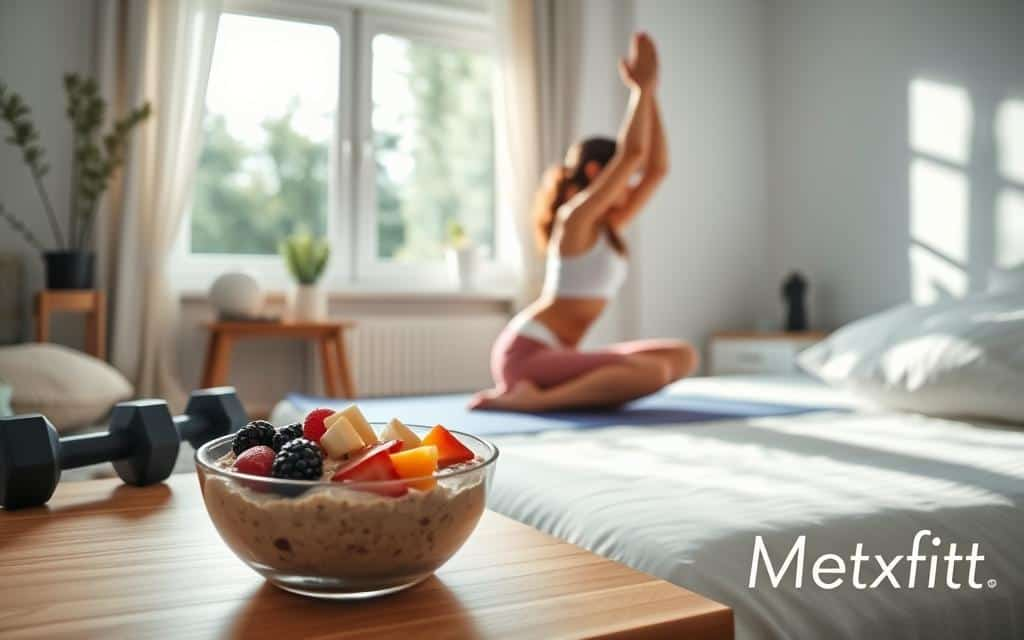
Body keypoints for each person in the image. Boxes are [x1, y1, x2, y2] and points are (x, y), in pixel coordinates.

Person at [470, 32, 698, 412]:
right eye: (623, 179)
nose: (631, 186)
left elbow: (656, 168)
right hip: (525, 354)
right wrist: (639, 92)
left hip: (555, 352)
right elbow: (633, 153)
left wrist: (652, 92)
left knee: (683, 356)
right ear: (596, 172)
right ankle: (533, 402)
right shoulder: (575, 218)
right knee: (652, 373)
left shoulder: (609, 225)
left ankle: (544, 395)